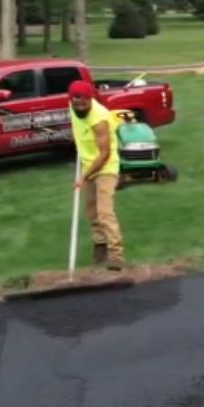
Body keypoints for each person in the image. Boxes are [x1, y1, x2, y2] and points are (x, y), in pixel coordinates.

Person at [68, 80, 124, 271]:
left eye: (84, 104)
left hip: (105, 166)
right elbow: (77, 125)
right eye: (77, 104)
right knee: (92, 211)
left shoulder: (99, 118)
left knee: (105, 212)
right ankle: (100, 248)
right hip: (88, 163)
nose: (80, 107)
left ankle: (116, 256)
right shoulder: (72, 106)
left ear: (90, 99)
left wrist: (84, 177)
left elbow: (105, 153)